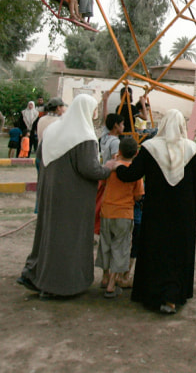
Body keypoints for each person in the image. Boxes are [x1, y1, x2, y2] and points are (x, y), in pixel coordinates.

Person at [18, 94, 119, 298]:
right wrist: (109, 168)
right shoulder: (84, 135)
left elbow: (40, 157)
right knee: (67, 239)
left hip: (50, 192)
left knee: (48, 235)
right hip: (73, 198)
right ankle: (60, 285)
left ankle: (36, 274)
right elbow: (89, 169)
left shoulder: (54, 130)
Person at [115, 109, 196, 314]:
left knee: (155, 249)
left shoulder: (150, 147)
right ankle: (172, 297)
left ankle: (151, 294)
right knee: (177, 252)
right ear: (182, 126)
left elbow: (133, 174)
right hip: (183, 212)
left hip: (156, 211)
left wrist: (117, 167)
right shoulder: (191, 149)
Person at [96, 137, 143, 298]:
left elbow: (102, 181)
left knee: (106, 245)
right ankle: (111, 285)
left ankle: (104, 276)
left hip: (107, 211)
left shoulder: (111, 167)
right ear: (136, 153)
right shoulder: (134, 172)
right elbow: (138, 196)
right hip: (124, 214)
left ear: (119, 151)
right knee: (120, 248)